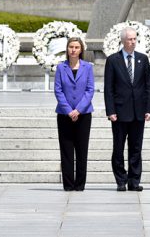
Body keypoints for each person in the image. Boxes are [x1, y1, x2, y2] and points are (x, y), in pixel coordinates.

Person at [104, 27, 150, 192]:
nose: (133, 42)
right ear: (123, 41)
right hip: (119, 112)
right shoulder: (113, 60)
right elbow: (108, 88)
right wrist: (110, 111)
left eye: (134, 39)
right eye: (130, 39)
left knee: (136, 148)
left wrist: (149, 109)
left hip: (138, 112)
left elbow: (148, 86)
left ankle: (134, 181)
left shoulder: (143, 59)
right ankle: (121, 180)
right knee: (118, 148)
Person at [54, 37, 94, 191]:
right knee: (66, 149)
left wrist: (78, 109)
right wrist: (69, 110)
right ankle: (68, 184)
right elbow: (58, 90)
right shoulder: (61, 68)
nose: (73, 50)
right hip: (65, 114)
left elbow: (90, 90)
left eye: (77, 47)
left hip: (83, 114)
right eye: (71, 47)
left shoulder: (87, 67)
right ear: (67, 49)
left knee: (82, 149)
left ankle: (80, 184)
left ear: (81, 50)